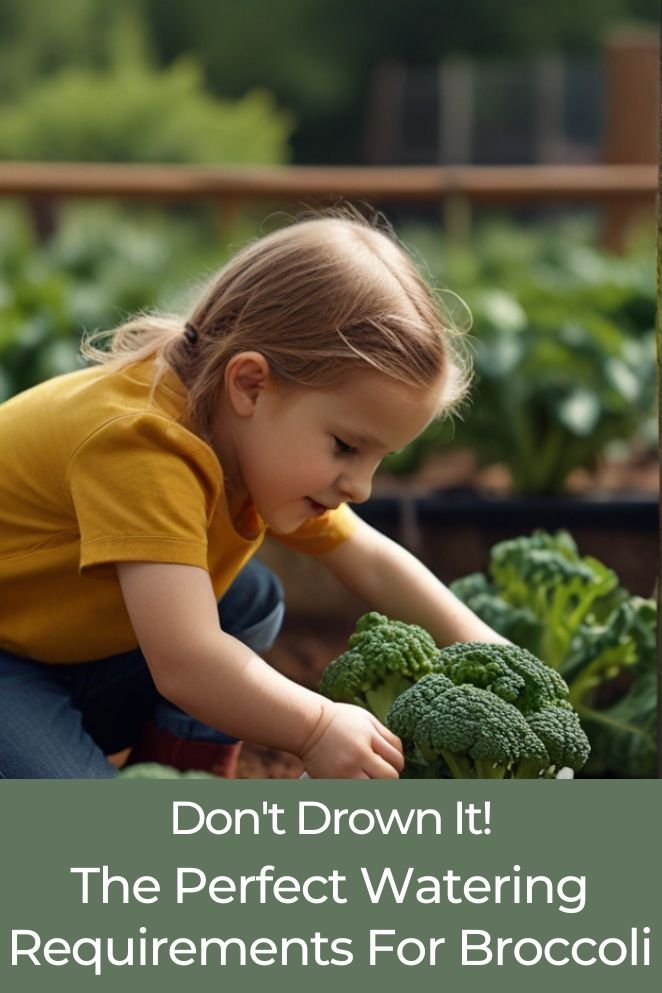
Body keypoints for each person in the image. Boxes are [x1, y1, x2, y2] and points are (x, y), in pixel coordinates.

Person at [0, 209, 506, 780]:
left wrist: (502, 660)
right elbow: (187, 662)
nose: (360, 487)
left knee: (247, 597)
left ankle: (177, 780)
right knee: (81, 843)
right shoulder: (142, 446)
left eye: (378, 459)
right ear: (250, 384)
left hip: (55, 646)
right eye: (345, 446)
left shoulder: (244, 438)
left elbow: (374, 561)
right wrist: (314, 727)